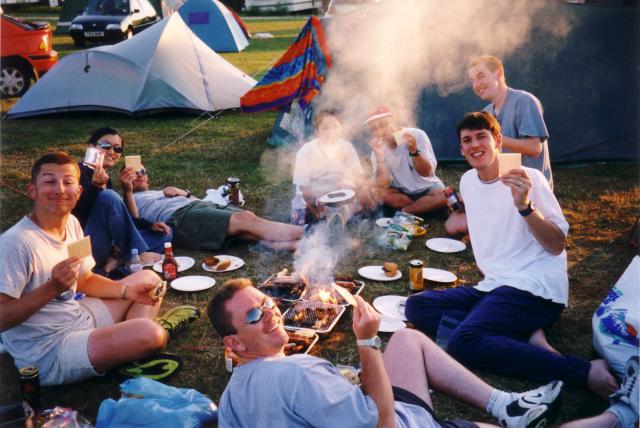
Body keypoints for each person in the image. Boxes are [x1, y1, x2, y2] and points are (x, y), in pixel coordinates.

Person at [405, 112, 618, 400]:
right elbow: (465, 221)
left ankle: (582, 371)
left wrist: (526, 207)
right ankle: (524, 331)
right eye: (467, 140)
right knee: (416, 307)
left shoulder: (528, 179)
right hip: (495, 285)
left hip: (535, 287)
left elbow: (557, 244)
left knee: (464, 342)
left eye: (482, 136)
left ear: (499, 140)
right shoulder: (468, 181)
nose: (475, 145)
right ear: (460, 149)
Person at [208, 279, 565, 428]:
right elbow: (383, 423)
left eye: (267, 302)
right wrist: (366, 343)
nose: (270, 312)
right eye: (254, 315)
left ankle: (506, 405)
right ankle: (617, 415)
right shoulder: (300, 373)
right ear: (234, 343)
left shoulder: (231, 397)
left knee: (408, 341)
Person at [0, 152, 196, 386]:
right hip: (49, 350)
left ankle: (125, 349)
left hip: (78, 318)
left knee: (149, 278)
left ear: (79, 192)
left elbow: (85, 280)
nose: (60, 189)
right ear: (32, 190)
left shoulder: (71, 223)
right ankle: (137, 340)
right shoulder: (16, 243)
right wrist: (53, 288)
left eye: (68, 182)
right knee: (151, 334)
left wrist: (126, 292)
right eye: (50, 181)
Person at [446, 56, 552, 236]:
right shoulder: (487, 112)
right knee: (452, 224)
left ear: (499, 73)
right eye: (472, 80)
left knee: (465, 227)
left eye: (480, 76)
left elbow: (535, 148)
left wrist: (495, 139)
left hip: (524, 188)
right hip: (500, 186)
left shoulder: (524, 101)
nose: (476, 84)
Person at [130, 167, 304, 251]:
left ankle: (307, 245)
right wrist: (126, 190)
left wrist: (183, 193)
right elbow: (133, 221)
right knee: (245, 221)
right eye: (132, 172)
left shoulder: (158, 192)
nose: (139, 174)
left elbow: (200, 201)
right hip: (178, 218)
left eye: (142, 171)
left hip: (196, 207)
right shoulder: (124, 199)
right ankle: (312, 232)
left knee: (247, 225)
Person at [72, 127, 171, 272]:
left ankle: (118, 260)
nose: (111, 151)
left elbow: (119, 220)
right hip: (84, 249)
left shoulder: (105, 178)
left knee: (165, 233)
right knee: (109, 196)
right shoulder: (76, 171)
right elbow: (76, 210)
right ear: (91, 147)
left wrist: (149, 225)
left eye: (117, 149)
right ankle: (134, 256)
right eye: (105, 146)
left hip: (108, 243)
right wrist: (94, 186)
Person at [365, 106, 447, 216]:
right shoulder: (377, 149)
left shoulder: (417, 135)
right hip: (401, 194)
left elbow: (426, 172)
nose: (380, 131)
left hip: (427, 188)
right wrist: (380, 157)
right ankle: (423, 207)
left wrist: (413, 149)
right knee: (379, 192)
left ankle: (405, 211)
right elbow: (382, 184)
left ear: (395, 122)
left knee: (444, 195)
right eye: (374, 129)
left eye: (384, 125)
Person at [293, 110, 365, 220]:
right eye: (325, 128)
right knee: (313, 213)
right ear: (317, 131)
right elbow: (303, 189)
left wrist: (361, 192)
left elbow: (358, 177)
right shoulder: (306, 151)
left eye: (335, 127)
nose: (330, 132)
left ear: (341, 129)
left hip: (340, 194)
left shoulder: (346, 147)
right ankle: (338, 218)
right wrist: (313, 205)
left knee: (362, 200)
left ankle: (339, 217)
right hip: (316, 197)